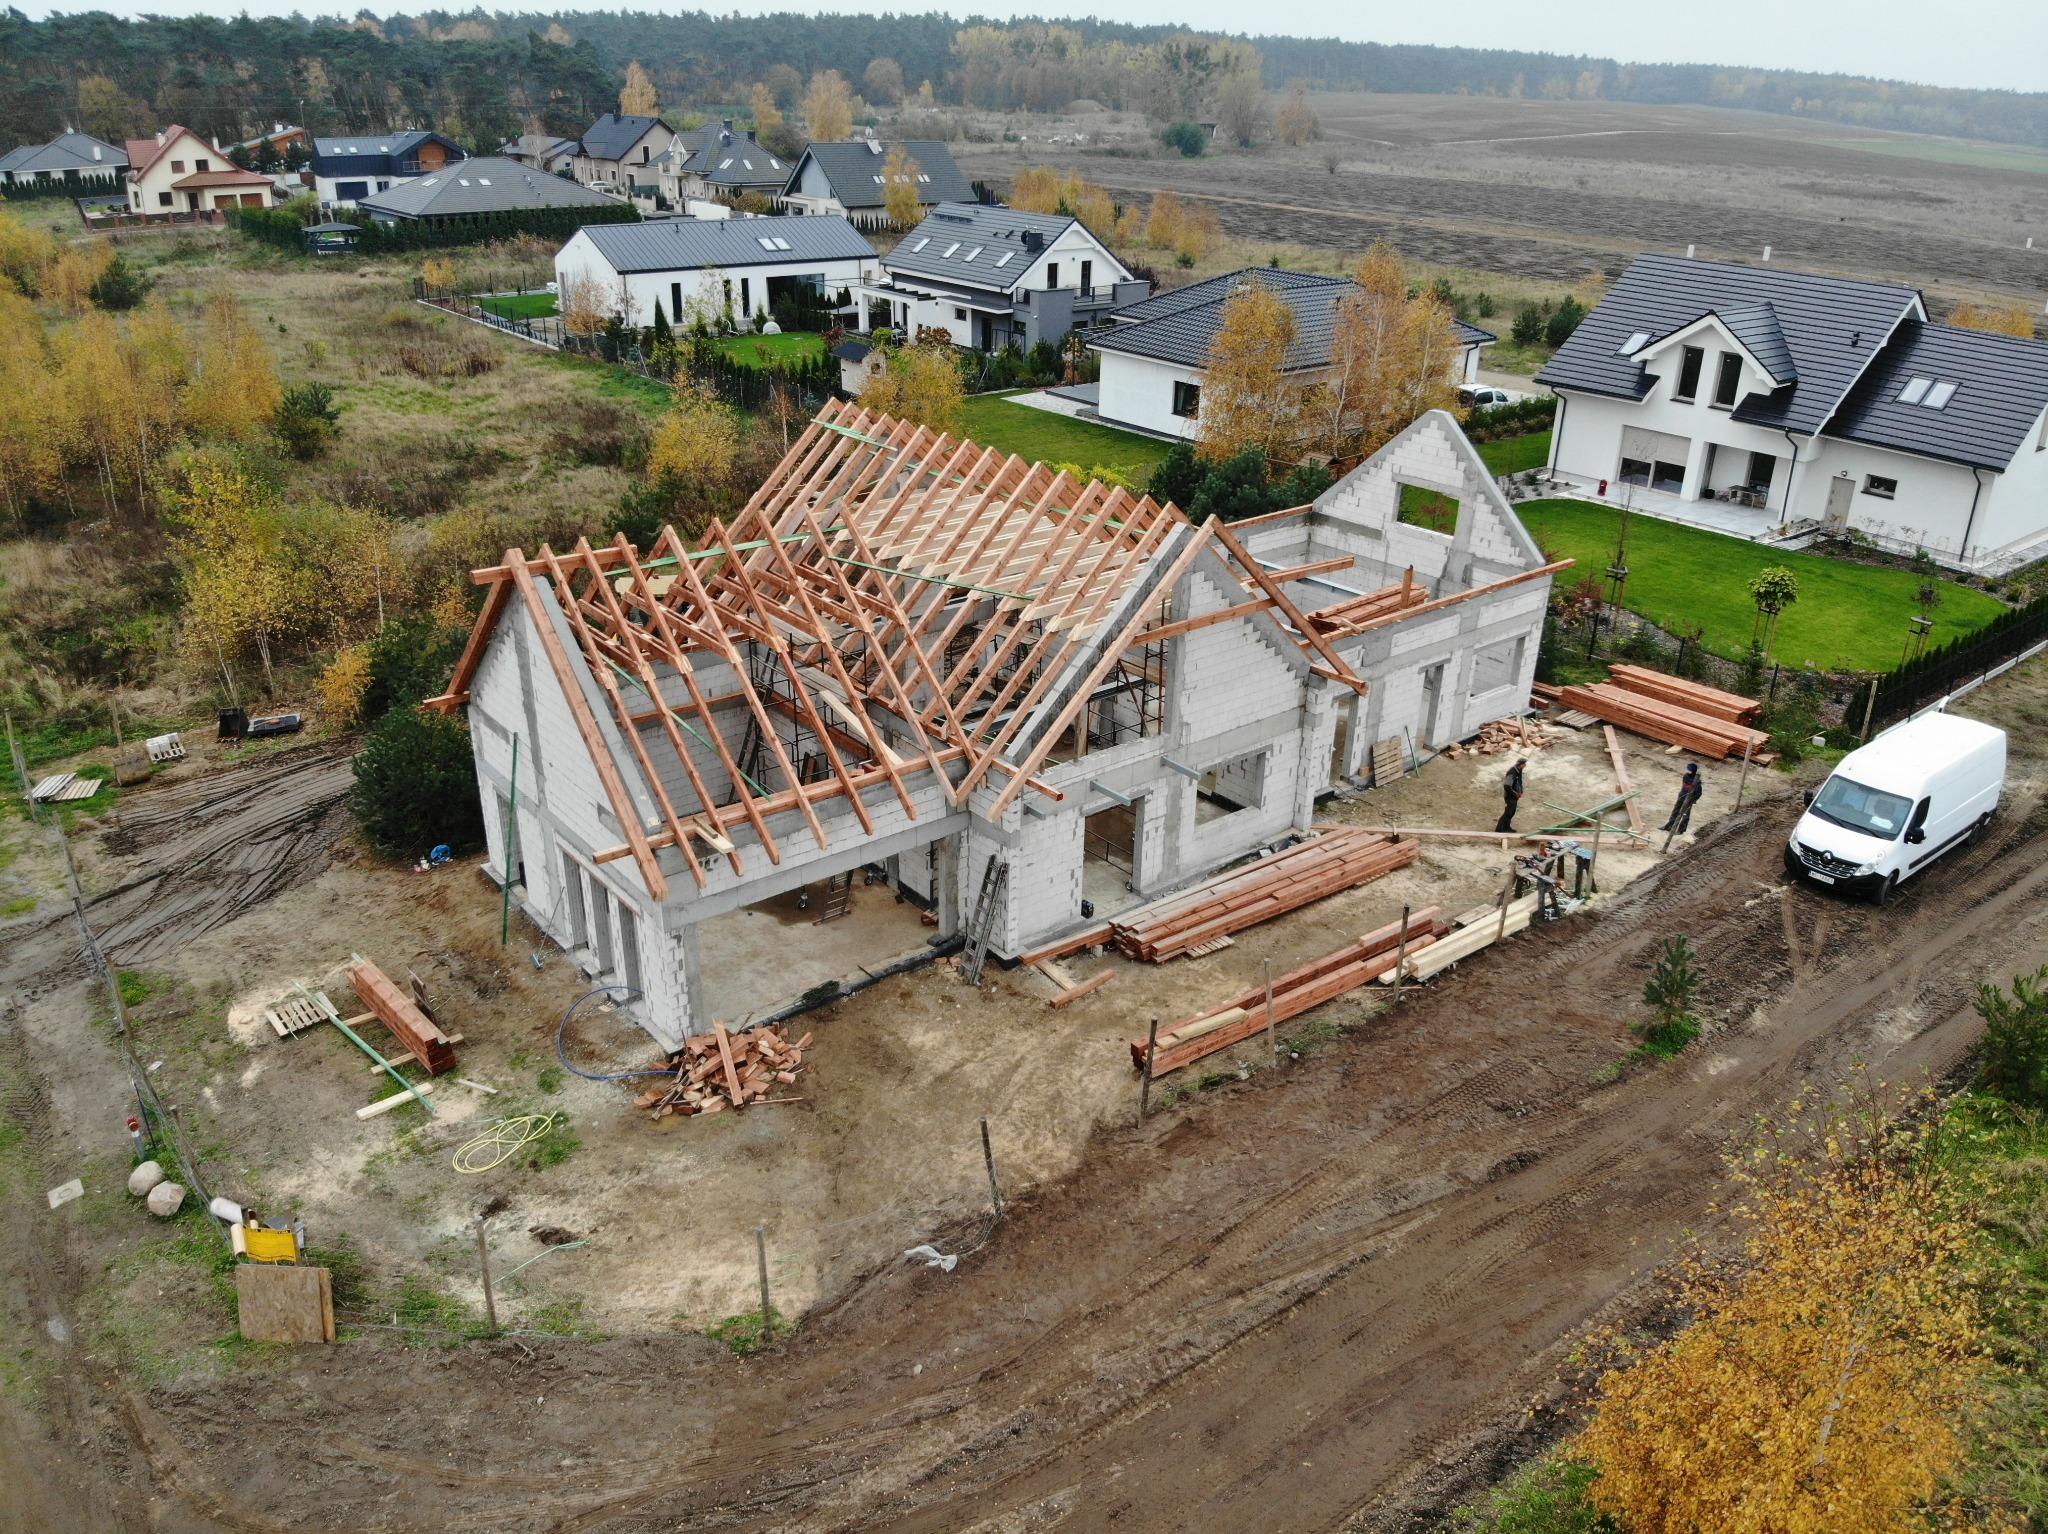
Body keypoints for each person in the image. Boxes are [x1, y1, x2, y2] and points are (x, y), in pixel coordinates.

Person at [1665, 762, 1704, 834]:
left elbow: (1699, 793)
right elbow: (1683, 787)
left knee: (1685, 815)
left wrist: (1692, 800)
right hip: (1681, 797)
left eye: (1690, 769)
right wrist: (1681, 795)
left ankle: (1680, 831)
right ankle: (1669, 827)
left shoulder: (1697, 781)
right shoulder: (1685, 776)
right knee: (1675, 812)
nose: (1688, 770)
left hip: (1689, 800)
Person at [1497, 756, 1526, 833]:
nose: (1525, 766)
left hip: (1514, 797)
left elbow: (1518, 783)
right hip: (1510, 797)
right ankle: (1499, 829)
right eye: (1524, 764)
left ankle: (1506, 827)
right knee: (1508, 813)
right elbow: (1507, 786)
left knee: (1512, 812)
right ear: (1521, 765)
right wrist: (1515, 794)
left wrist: (1520, 792)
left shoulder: (1518, 771)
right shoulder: (1512, 772)